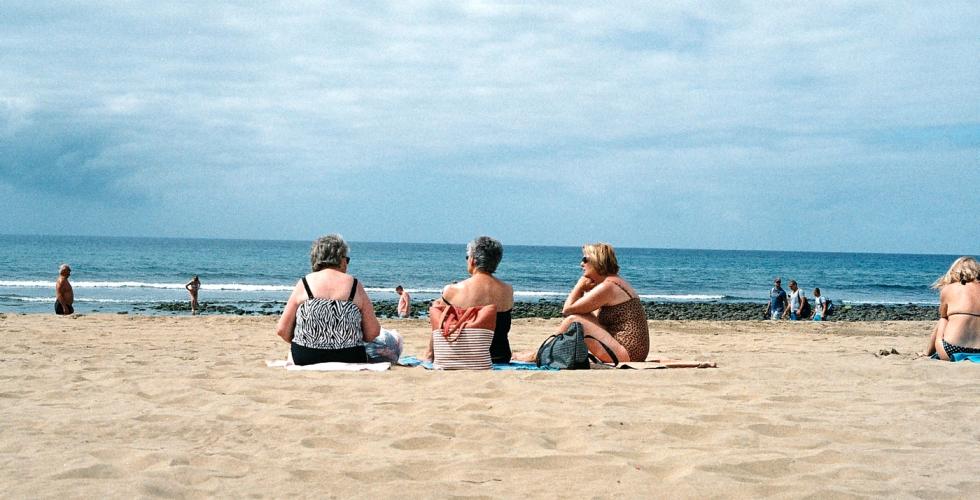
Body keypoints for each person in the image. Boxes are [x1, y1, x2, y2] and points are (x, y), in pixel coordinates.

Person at [517, 242, 649, 364]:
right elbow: (581, 311)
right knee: (581, 316)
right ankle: (544, 351)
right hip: (632, 351)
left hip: (627, 354)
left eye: (585, 259)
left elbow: (567, 310)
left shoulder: (608, 286)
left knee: (574, 320)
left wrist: (579, 286)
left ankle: (539, 354)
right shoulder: (614, 282)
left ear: (597, 261)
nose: (581, 264)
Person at [275, 234, 381, 365]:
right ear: (341, 259)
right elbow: (373, 332)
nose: (347, 264)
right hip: (350, 356)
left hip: (305, 356)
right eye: (347, 260)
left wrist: (308, 340)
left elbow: (282, 329)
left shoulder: (304, 283)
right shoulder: (354, 285)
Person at [423, 236, 514, 363]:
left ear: (472, 260)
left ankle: (429, 354)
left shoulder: (453, 290)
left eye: (467, 257)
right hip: (499, 356)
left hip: (462, 357)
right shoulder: (508, 290)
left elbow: (439, 326)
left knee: (437, 309)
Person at [924, 256, 980, 361]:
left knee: (943, 319)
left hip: (951, 349)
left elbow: (943, 317)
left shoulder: (948, 289)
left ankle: (927, 351)